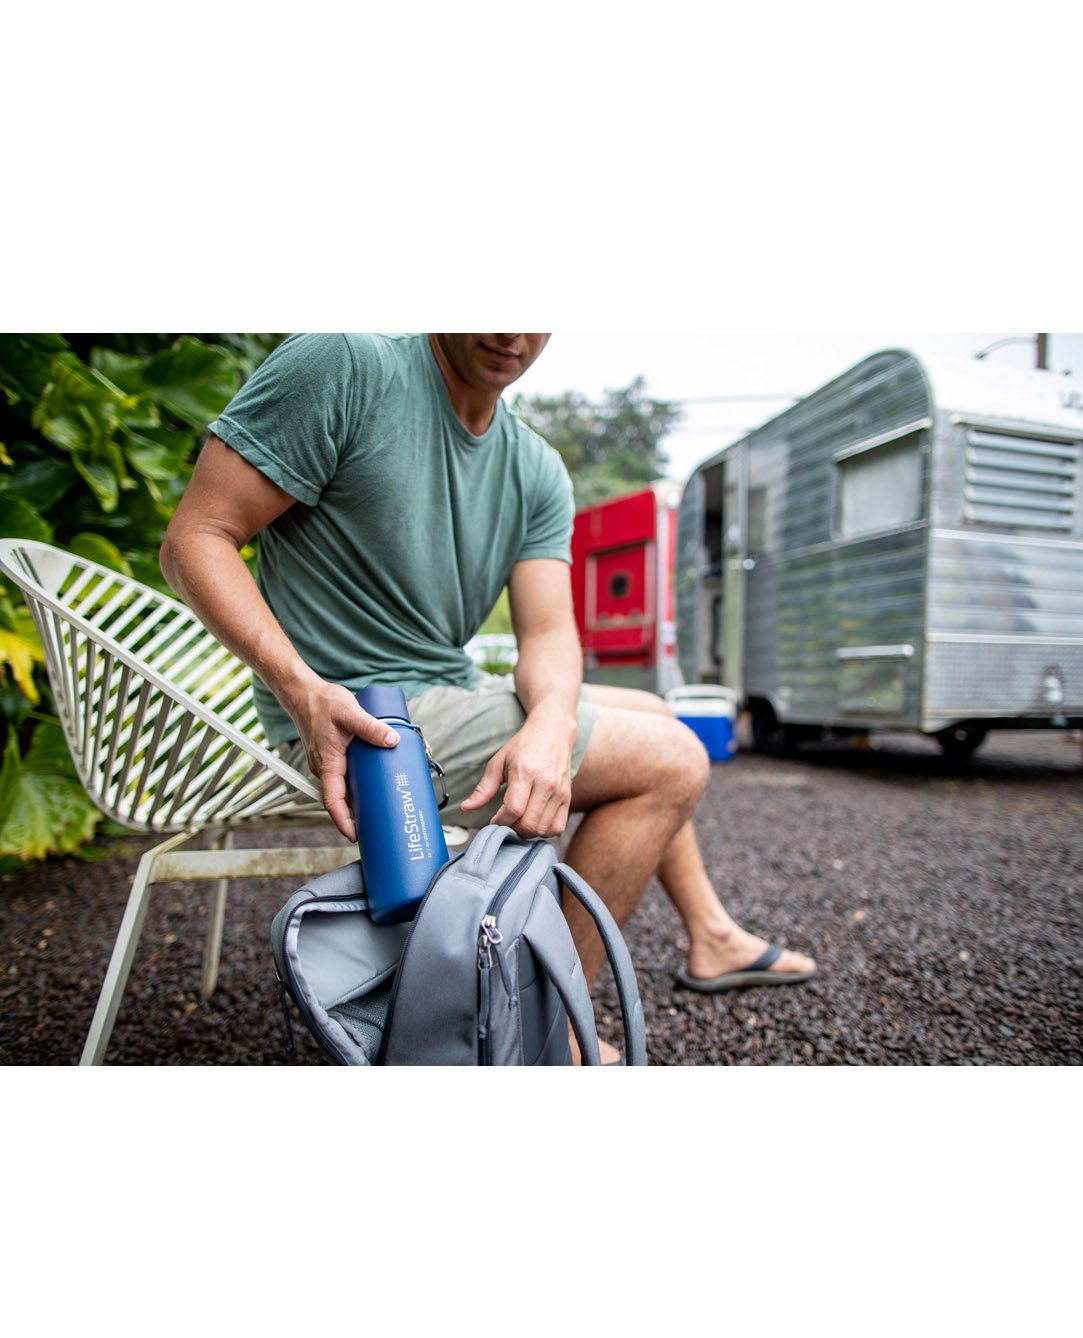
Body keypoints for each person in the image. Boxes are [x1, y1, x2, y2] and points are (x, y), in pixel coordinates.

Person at [160, 333, 815, 1063]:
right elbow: (195, 537)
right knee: (672, 760)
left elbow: (547, 632)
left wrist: (550, 722)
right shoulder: (345, 367)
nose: (511, 331)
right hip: (355, 718)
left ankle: (711, 935)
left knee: (654, 717)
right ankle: (544, 1030)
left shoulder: (534, 465)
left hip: (445, 690)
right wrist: (302, 690)